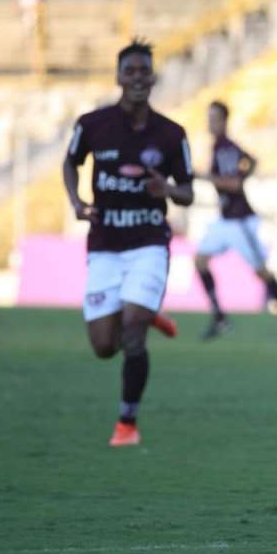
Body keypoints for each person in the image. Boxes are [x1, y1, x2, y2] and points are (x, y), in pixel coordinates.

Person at [62, 39, 194, 447]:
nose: (137, 77)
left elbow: (188, 192)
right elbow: (70, 161)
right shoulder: (92, 125)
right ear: (119, 77)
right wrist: (76, 202)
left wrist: (167, 188)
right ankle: (146, 311)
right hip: (104, 245)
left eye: (144, 71)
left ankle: (126, 424)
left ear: (153, 78)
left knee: (133, 334)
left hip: (148, 244)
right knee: (104, 346)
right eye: (130, 71)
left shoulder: (172, 135)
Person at [194, 100, 277, 343]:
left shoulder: (226, 148)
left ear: (224, 121)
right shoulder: (221, 146)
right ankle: (219, 316)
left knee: (261, 272)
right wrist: (245, 171)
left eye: (214, 118)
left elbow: (234, 183)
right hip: (225, 219)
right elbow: (251, 161)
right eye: (209, 118)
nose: (210, 123)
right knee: (200, 261)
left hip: (240, 221)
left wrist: (204, 176)